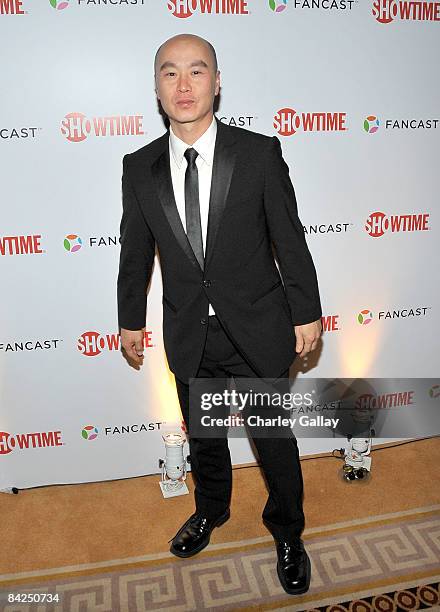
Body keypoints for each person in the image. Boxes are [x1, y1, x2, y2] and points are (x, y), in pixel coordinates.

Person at [117, 33, 322, 596]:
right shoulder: (140, 167)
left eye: (197, 71)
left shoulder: (257, 152)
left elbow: (289, 236)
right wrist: (128, 318)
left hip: (257, 326)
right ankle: (211, 510)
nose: (183, 85)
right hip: (190, 329)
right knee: (205, 437)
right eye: (169, 73)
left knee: (271, 440)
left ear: (217, 81)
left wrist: (306, 309)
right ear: (156, 87)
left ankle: (287, 532)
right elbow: (134, 251)